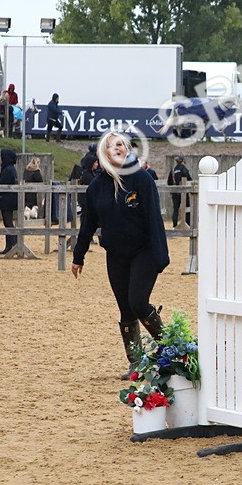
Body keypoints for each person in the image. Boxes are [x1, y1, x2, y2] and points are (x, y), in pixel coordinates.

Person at [72, 131, 170, 377]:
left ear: (127, 149)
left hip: (144, 250)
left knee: (138, 301)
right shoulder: (96, 187)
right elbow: (88, 224)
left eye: (120, 144)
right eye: (110, 145)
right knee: (125, 309)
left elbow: (154, 219)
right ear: (103, 153)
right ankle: (136, 362)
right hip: (116, 253)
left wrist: (161, 256)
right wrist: (78, 255)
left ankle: (171, 347)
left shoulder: (142, 179)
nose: (116, 148)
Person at [0, 148, 19, 253]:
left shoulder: (8, 169)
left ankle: (12, 246)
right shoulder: (10, 168)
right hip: (9, 199)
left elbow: (3, 184)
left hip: (8, 200)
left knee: (8, 223)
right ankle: (12, 245)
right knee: (8, 223)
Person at [167, 155, 192, 228]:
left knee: (175, 209)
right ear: (183, 161)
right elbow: (189, 179)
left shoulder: (173, 170)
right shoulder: (184, 169)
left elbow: (169, 182)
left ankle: (174, 226)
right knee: (187, 208)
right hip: (184, 192)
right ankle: (188, 224)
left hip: (175, 192)